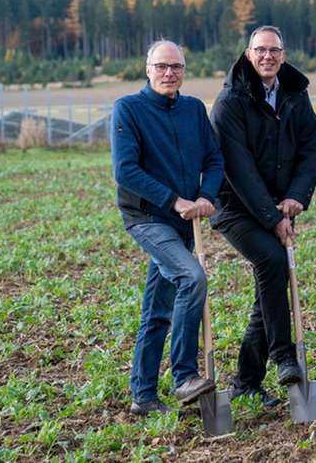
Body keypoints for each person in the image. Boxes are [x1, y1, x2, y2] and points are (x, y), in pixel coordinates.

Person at [110, 40, 225, 416]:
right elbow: (125, 170)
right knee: (192, 279)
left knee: (157, 310)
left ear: (184, 71)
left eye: (176, 67)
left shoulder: (193, 109)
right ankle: (184, 376)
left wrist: (206, 195)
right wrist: (174, 200)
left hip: (185, 221)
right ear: (148, 69)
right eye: (161, 66)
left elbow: (213, 158)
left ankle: (142, 396)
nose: (169, 73)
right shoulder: (128, 109)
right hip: (148, 217)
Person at [210, 25, 316, 408]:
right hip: (236, 207)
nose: (267, 57)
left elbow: (311, 147)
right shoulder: (230, 102)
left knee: (269, 286)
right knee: (272, 262)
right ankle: (284, 355)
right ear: (248, 54)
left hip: (280, 206)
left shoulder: (294, 93)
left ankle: (246, 381)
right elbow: (238, 168)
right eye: (260, 50)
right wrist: (271, 216)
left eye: (274, 50)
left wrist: (296, 199)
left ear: (284, 55)